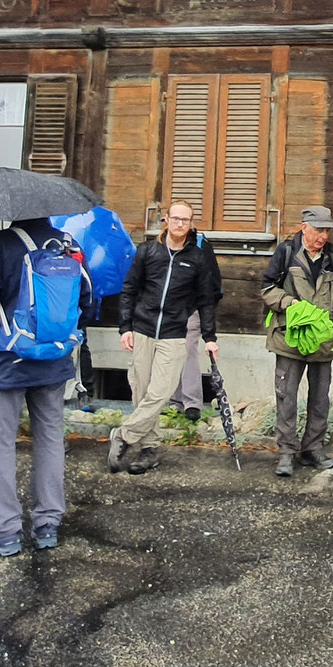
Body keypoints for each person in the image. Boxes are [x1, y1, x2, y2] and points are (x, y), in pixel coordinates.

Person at [0, 221, 79, 555]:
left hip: (10, 357)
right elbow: (85, 296)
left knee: (0, 443)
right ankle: (48, 524)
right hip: (55, 358)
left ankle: (6, 531)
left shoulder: (3, 244)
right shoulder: (67, 244)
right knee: (51, 439)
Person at [112, 200, 219, 475]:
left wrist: (210, 336)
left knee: (159, 393)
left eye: (186, 220)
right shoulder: (148, 252)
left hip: (175, 333)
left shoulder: (196, 259)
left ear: (191, 223)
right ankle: (149, 448)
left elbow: (206, 300)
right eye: (176, 219)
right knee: (141, 390)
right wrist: (125, 328)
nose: (180, 224)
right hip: (143, 329)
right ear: (166, 220)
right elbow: (129, 290)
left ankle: (124, 436)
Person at [262, 206, 333, 477]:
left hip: (321, 338)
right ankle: (286, 453)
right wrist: (290, 303)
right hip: (289, 337)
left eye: (327, 231)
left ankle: (313, 449)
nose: (323, 236)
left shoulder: (331, 255)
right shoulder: (286, 252)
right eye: (319, 230)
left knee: (320, 398)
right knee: (286, 396)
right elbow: (267, 289)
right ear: (304, 227)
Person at [170, 228, 224, 421]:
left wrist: (205, 310)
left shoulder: (201, 246)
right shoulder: (161, 246)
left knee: (188, 351)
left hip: (192, 308)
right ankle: (174, 401)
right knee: (170, 352)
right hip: (167, 311)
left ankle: (191, 403)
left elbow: (213, 283)